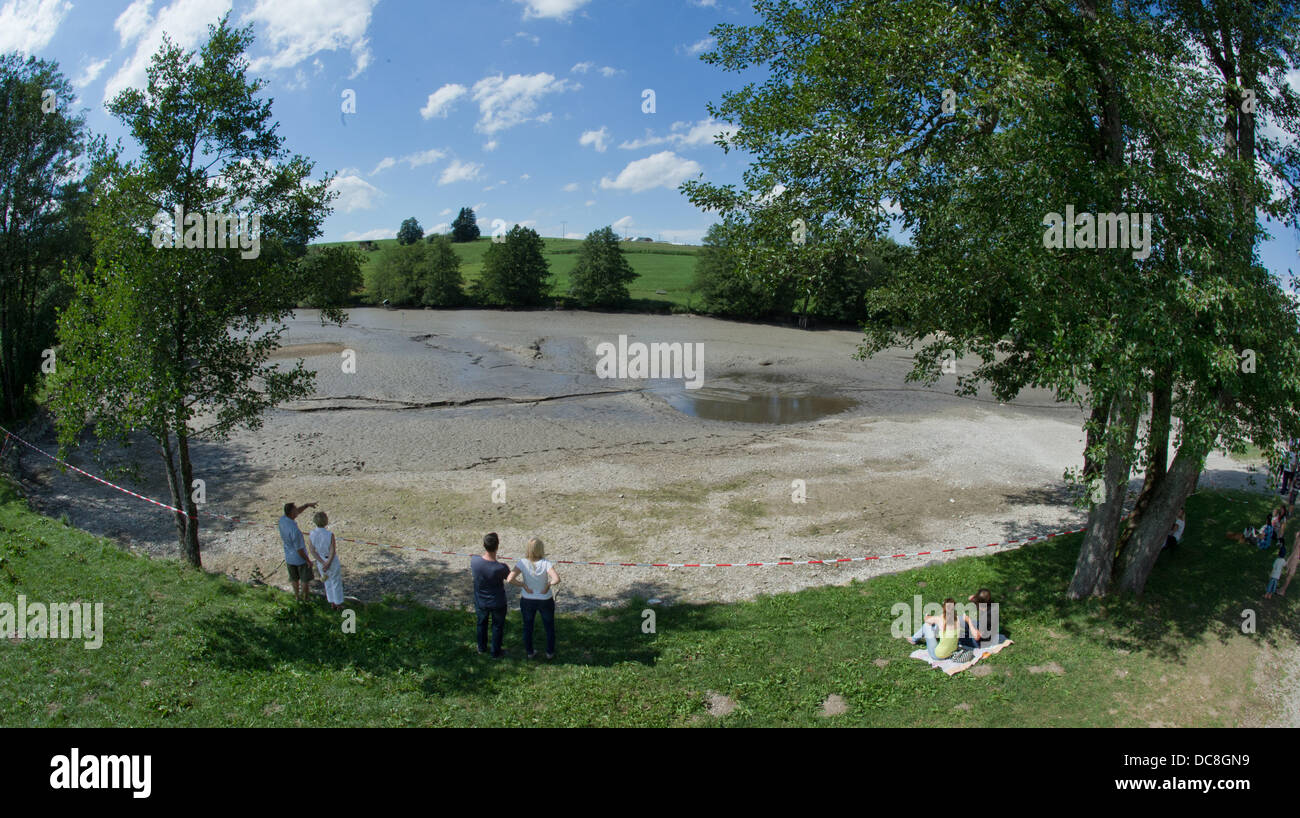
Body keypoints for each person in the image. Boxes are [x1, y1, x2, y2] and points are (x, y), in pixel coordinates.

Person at [507, 536, 560, 659]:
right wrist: (548, 585)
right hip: (545, 599)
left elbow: (510, 579)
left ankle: (530, 652)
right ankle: (550, 652)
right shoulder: (546, 563)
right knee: (549, 627)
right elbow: (556, 579)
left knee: (528, 626)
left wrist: (523, 585)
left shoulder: (522, 562)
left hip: (528, 599)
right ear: (540, 549)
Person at [472, 533, 510, 658]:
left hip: (481, 601)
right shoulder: (501, 568)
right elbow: (510, 578)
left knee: (481, 623)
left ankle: (481, 648)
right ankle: (495, 652)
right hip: (497, 602)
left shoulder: (475, 561)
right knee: (497, 626)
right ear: (497, 546)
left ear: (484, 545)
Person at [906, 598, 975, 662]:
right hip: (951, 653)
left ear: (943, 608)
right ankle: (920, 638)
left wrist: (927, 615)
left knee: (926, 626)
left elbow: (926, 620)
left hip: (937, 655)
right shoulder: (959, 619)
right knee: (936, 626)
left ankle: (913, 639)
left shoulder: (940, 619)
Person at [278, 501, 317, 602]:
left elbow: (297, 512)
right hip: (299, 559)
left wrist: (306, 505)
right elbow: (299, 549)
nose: (297, 511)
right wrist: (308, 560)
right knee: (304, 580)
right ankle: (306, 598)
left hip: (289, 557)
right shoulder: (295, 531)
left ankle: (296, 596)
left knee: (294, 579)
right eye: (295, 510)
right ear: (292, 513)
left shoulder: (282, 520)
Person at [308, 511, 344, 610]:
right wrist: (328, 562)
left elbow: (312, 550)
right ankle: (338, 603)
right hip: (331, 560)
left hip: (320, 560)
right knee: (336, 581)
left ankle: (331, 602)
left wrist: (322, 562)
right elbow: (332, 550)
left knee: (327, 581)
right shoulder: (329, 534)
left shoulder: (312, 534)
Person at [1280, 527, 1300, 596]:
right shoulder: (1298, 536)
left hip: (1295, 557)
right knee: (1288, 573)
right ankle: (1282, 588)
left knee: (1290, 574)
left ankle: (1283, 590)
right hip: (1293, 556)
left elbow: (1296, 548)